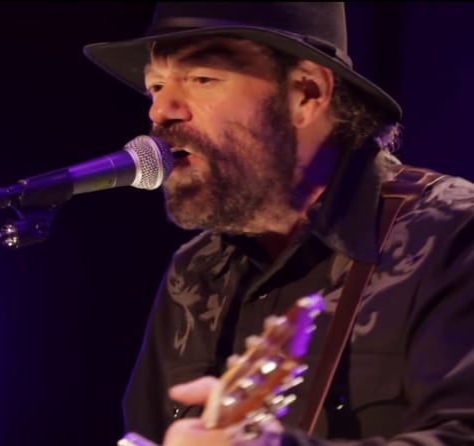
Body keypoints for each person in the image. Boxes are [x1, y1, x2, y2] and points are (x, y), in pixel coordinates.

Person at [82, 2, 474, 445]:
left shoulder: (452, 233)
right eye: (155, 85)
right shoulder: (194, 272)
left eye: (201, 79)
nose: (160, 111)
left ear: (306, 93)